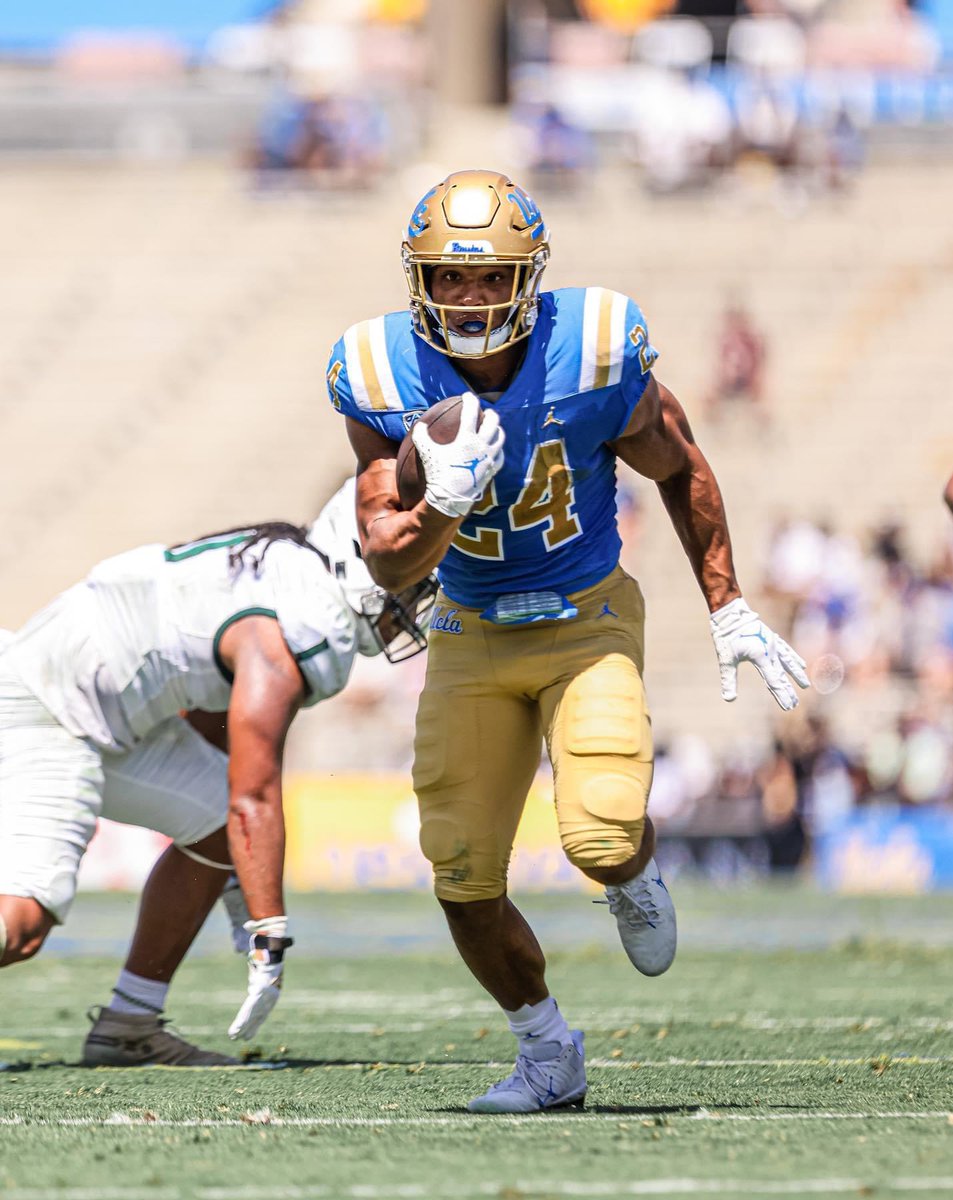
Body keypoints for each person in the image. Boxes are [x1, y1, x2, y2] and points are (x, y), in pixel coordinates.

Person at [327, 168, 809, 1113]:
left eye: (491, 278)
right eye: (449, 278)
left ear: (530, 279)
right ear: (416, 280)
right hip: (467, 628)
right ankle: (547, 1053)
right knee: (461, 874)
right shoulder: (376, 371)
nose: (468, 298)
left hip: (584, 613)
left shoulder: (591, 351)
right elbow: (387, 561)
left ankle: (632, 869)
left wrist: (728, 604)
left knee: (598, 829)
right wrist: (449, 502)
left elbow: (682, 463)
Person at [0, 479, 435, 1066]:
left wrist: (237, 872)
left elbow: (213, 735)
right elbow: (252, 795)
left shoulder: (282, 572)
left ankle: (129, 1023)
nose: (410, 603)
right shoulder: (293, 626)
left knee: (214, 826)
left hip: (103, 708)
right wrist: (268, 929)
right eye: (404, 581)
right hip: (49, 703)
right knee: (22, 924)